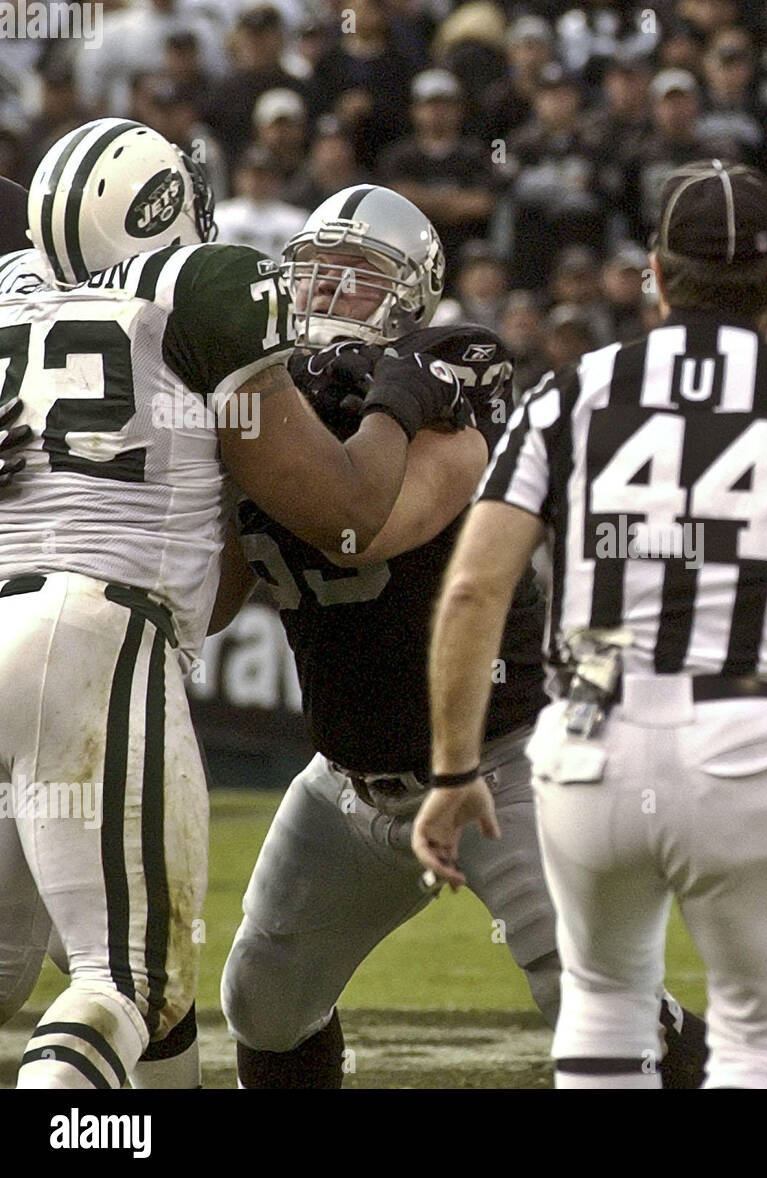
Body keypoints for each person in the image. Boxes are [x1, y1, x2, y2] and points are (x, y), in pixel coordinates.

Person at [413, 161, 767, 1089]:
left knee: (606, 1006)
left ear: (656, 271)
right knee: (758, 1042)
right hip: (749, 741)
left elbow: (470, 594)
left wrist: (455, 768)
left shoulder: (569, 394)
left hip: (589, 743)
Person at [0, 119, 463, 1089]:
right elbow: (341, 514)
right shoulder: (207, 287)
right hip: (95, 626)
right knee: (126, 981)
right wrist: (401, 397)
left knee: (9, 974)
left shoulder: (10, 295)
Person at [216, 184, 709, 1089]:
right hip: (347, 781)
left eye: (355, 280)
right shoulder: (261, 414)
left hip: (500, 764)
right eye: (311, 277)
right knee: (262, 1002)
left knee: (589, 1007)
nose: (324, 299)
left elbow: (364, 529)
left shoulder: (442, 386)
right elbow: (213, 603)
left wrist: (384, 407)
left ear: (408, 297)